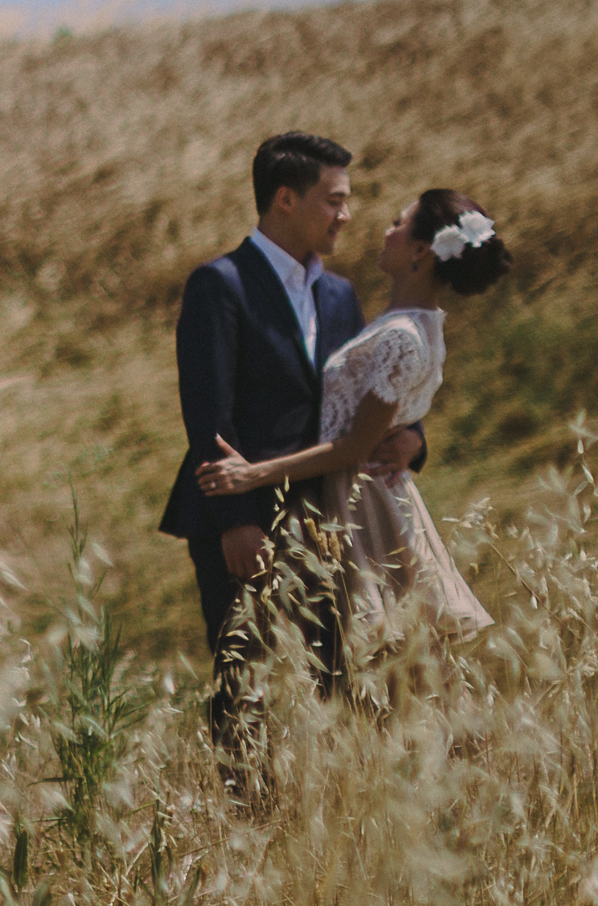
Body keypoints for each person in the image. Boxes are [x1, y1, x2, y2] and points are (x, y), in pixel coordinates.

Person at [158, 132, 426, 747]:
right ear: (285, 198)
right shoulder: (219, 284)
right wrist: (236, 521)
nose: (346, 214)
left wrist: (413, 440)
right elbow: (208, 415)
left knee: (332, 680)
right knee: (244, 687)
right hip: (244, 517)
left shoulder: (337, 293)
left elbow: (364, 396)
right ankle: (246, 824)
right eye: (333, 200)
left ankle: (316, 823)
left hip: (326, 518)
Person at [198, 187, 500, 640]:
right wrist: (410, 435)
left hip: (360, 503)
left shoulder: (403, 335)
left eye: (398, 223)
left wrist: (252, 476)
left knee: (384, 659)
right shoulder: (414, 324)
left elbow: (355, 445)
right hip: (359, 494)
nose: (385, 230)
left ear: (421, 250)